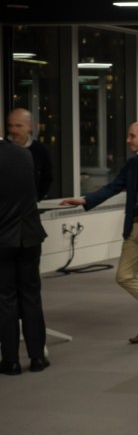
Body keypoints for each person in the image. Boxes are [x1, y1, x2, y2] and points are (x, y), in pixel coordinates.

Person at [60, 121, 138, 344]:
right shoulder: (132, 165)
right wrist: (85, 200)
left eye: (132, 136)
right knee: (123, 275)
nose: (128, 140)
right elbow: (112, 187)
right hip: (132, 228)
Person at [0, 137, 49, 375]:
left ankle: (11, 361)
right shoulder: (24, 154)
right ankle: (37, 357)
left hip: (3, 239)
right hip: (29, 235)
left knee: (6, 300)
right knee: (31, 296)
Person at [6, 108, 53, 200]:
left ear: (30, 126)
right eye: (10, 125)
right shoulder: (2, 148)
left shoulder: (41, 150)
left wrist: (36, 199)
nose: (13, 130)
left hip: (30, 205)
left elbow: (47, 178)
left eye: (18, 126)